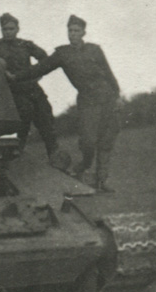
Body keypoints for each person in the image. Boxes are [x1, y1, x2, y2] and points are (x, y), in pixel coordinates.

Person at [32, 15, 121, 192]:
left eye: (76, 31)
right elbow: (40, 68)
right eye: (70, 30)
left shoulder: (94, 49)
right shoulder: (62, 54)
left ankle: (101, 181)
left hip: (107, 98)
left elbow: (108, 73)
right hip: (88, 101)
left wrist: (117, 95)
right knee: (88, 141)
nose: (72, 34)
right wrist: (15, 77)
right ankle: (83, 166)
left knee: (106, 141)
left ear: (83, 33)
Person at [0, 13, 59, 157]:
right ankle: (19, 149)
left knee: (45, 115)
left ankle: (54, 153)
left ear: (17, 29)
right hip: (12, 89)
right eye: (5, 29)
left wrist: (36, 74)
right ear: (1, 30)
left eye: (11, 29)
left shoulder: (26, 45)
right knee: (24, 114)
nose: (8, 32)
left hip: (31, 87)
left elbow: (45, 59)